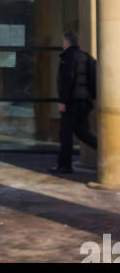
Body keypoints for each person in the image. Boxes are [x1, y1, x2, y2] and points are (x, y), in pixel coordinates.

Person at [53, 29, 97, 174]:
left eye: (63, 41)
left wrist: (62, 101)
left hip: (72, 102)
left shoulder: (67, 58)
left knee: (65, 134)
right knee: (83, 133)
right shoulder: (87, 57)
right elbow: (93, 79)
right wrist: (91, 96)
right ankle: (107, 150)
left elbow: (67, 80)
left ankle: (64, 166)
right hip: (84, 102)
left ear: (66, 42)